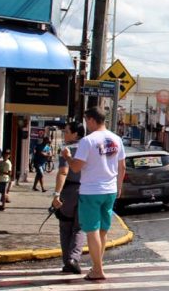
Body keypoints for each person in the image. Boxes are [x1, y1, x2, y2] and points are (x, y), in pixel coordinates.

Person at [66, 107, 126, 281]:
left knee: (92, 231)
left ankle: (98, 270)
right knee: (102, 231)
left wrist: (68, 156)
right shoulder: (117, 139)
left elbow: (76, 167)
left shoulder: (88, 141)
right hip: (110, 190)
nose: (86, 124)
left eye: (87, 120)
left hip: (91, 191)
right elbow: (122, 167)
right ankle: (97, 266)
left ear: (92, 120)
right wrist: (119, 187)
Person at [53, 122, 86, 275]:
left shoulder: (67, 150)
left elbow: (63, 173)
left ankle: (68, 261)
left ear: (75, 134)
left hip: (68, 192)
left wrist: (56, 194)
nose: (64, 134)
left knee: (65, 227)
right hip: (85, 191)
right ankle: (74, 258)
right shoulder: (88, 148)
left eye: (67, 132)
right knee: (79, 227)